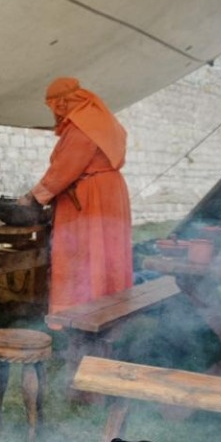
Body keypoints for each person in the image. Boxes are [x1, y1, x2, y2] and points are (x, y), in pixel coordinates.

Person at [18, 77, 133, 316]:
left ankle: (82, 313)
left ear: (60, 103)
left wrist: (32, 197)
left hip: (91, 195)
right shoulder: (99, 117)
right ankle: (111, 307)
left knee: (82, 250)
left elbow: (64, 170)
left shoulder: (83, 126)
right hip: (111, 191)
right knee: (107, 249)